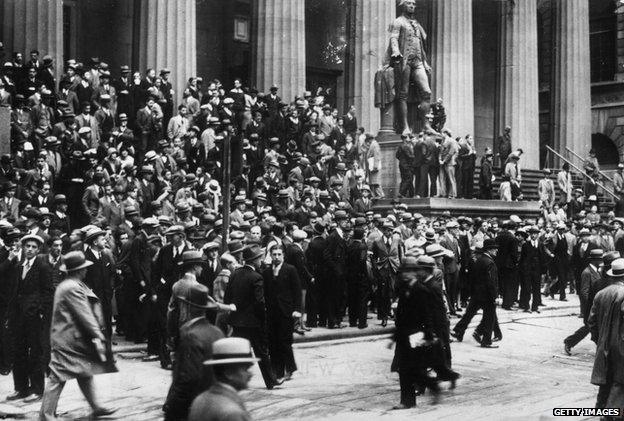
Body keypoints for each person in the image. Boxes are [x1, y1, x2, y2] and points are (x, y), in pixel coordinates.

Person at [39, 251, 116, 421]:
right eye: (84, 268)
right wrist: (99, 335)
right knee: (57, 377)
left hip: (70, 337)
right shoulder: (72, 287)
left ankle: (96, 407)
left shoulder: (70, 284)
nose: (87, 270)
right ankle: (46, 416)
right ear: (79, 270)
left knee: (85, 372)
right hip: (68, 340)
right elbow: (84, 314)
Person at [390, 256, 450, 409]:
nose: (405, 275)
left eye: (409, 272)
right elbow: (402, 316)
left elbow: (427, 315)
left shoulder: (420, 290)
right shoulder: (406, 288)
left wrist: (429, 335)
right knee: (407, 368)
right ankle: (414, 396)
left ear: (415, 273)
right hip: (405, 335)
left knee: (409, 368)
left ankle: (412, 398)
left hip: (416, 335)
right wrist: (394, 337)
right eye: (404, 272)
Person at [3, 234, 53, 402]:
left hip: (34, 317)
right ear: (23, 248)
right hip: (18, 316)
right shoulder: (18, 266)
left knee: (36, 352)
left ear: (38, 250)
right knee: (19, 352)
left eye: (33, 247)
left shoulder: (43, 267)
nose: (30, 249)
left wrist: (40, 311)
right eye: (27, 246)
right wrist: (10, 315)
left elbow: (47, 292)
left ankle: (37, 390)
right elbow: (14, 292)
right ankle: (21, 388)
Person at [163, 283, 224, 421]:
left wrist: (172, 409)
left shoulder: (190, 334)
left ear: (189, 306)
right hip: (214, 403)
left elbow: (187, 378)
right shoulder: (217, 332)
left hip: (192, 406)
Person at [224, 244, 281, 389]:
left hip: (237, 321)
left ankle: (232, 381)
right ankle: (271, 380)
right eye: (259, 258)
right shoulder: (256, 277)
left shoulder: (235, 273)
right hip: (253, 322)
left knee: (240, 352)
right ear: (254, 260)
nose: (261, 260)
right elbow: (259, 303)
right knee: (261, 351)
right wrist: (263, 319)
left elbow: (227, 297)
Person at [188, 337, 258, 421]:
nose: (250, 374)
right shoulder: (232, 412)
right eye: (245, 369)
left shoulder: (199, 399)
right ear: (228, 373)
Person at [588, 258, 624, 412]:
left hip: (604, 344)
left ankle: (600, 408)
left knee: (605, 378)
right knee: (619, 379)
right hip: (621, 345)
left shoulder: (601, 294)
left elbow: (591, 322)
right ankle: (611, 413)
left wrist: (599, 340)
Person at [262, 245, 301, 382]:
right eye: (274, 254)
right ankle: (277, 370)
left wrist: (297, 309)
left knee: (284, 341)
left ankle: (289, 368)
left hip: (286, 312)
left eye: (279, 254)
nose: (277, 257)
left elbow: (297, 291)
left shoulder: (290, 270)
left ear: (283, 255)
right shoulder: (266, 273)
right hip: (272, 313)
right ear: (270, 255)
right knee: (273, 342)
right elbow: (265, 292)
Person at [451, 239, 500, 348]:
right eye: (495, 248)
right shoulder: (490, 262)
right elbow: (491, 282)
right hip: (487, 295)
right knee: (489, 317)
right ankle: (486, 341)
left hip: (476, 293)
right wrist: (495, 296)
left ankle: (458, 331)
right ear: (490, 250)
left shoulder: (478, 260)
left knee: (469, 314)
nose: (496, 250)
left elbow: (472, 278)